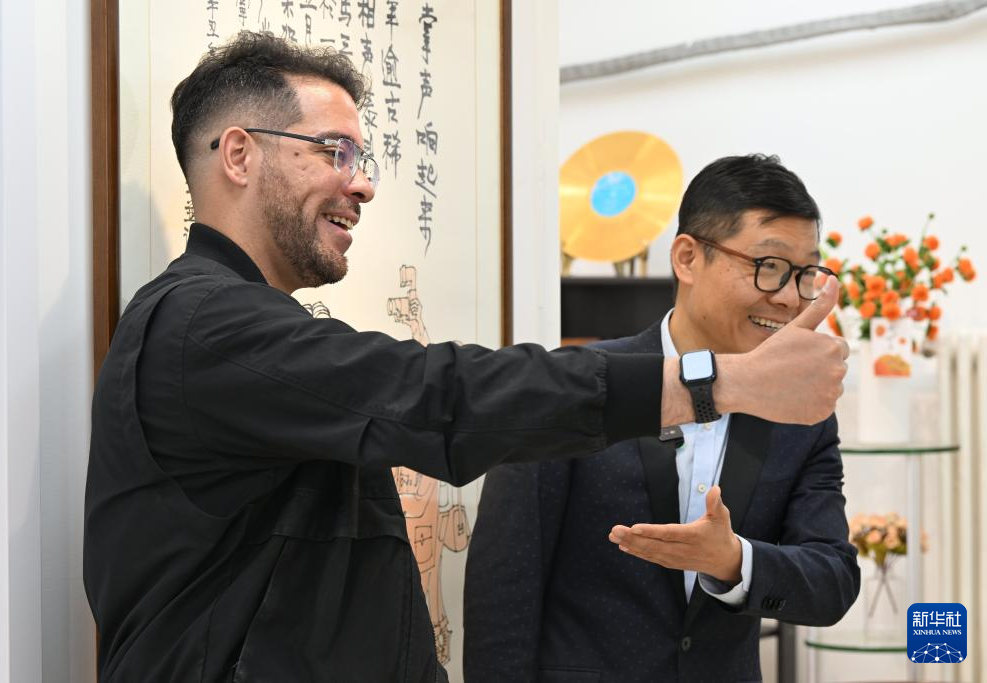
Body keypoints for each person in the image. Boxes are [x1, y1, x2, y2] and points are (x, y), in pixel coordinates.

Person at [83, 32, 847, 683]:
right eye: (334, 151)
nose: (362, 183)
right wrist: (718, 382)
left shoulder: (239, 325)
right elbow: (441, 398)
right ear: (239, 154)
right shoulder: (204, 326)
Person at [463, 155, 861, 683]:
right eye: (768, 266)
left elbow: (833, 580)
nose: (789, 298)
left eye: (806, 273)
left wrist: (734, 561)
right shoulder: (578, 385)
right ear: (688, 258)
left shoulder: (802, 413)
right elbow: (504, 592)